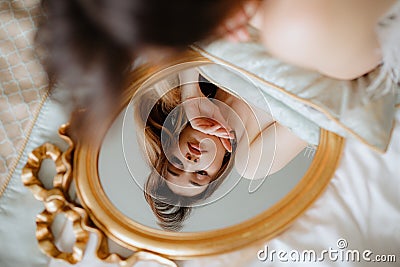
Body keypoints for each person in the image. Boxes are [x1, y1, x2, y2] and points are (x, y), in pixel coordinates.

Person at [134, 68, 307, 230]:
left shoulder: (202, 77)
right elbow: (315, 117)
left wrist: (190, 94)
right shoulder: (251, 161)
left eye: (177, 164)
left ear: (171, 144)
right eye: (201, 174)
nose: (190, 162)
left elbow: (191, 43)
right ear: (218, 171)